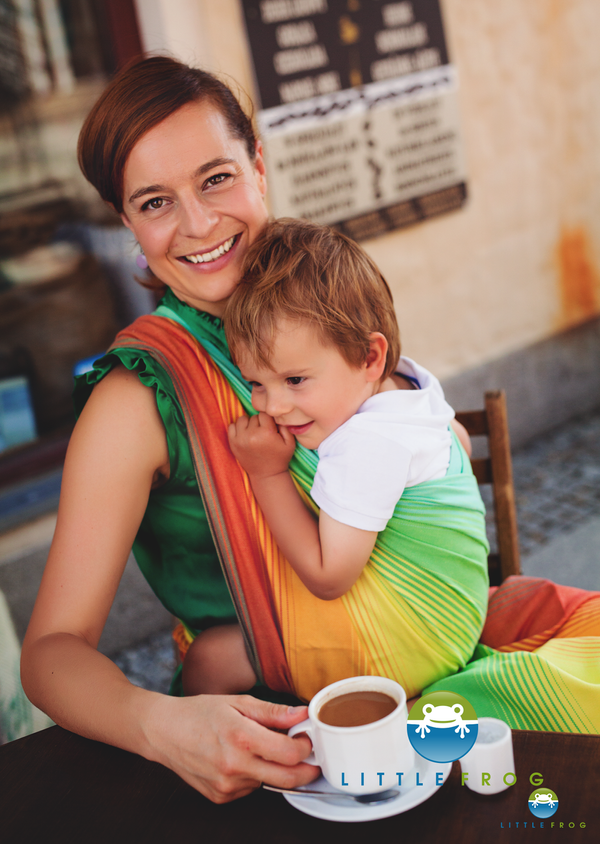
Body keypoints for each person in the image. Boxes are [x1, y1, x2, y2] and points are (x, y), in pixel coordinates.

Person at [20, 56, 600, 808]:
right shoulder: (136, 401)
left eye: (216, 178)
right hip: (281, 733)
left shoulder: (311, 301)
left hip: (436, 659)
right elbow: (49, 655)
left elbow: (416, 442)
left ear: (259, 166)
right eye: (155, 201)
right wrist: (160, 726)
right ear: (126, 221)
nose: (197, 223)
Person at [182, 219, 480, 696]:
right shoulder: (408, 387)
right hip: (456, 622)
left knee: (210, 659)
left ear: (368, 358)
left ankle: (222, 763)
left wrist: (268, 473)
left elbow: (327, 577)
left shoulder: (367, 442)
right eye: (256, 383)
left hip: (406, 649)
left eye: (295, 380)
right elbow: (459, 441)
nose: (272, 406)